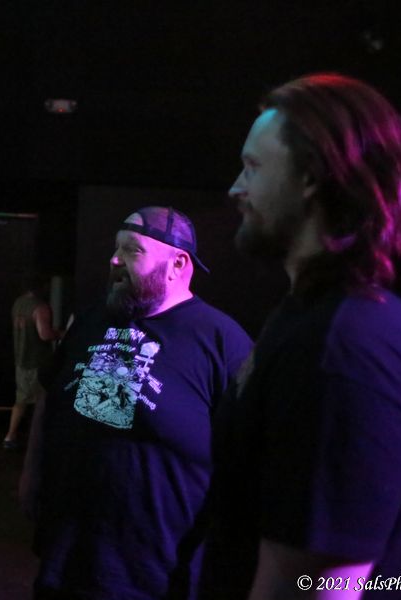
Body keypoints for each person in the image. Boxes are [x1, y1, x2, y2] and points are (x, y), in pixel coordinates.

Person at [200, 73, 401, 599]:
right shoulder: (355, 318)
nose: (235, 189)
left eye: (253, 167)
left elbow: (316, 587)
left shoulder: (347, 342)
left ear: (311, 176)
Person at [20, 206, 252, 599]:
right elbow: (51, 394)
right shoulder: (92, 320)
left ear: (177, 265)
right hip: (67, 563)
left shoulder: (222, 343)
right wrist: (31, 473)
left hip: (155, 576)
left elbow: (252, 458)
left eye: (132, 250)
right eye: (116, 248)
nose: (114, 259)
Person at [3, 275, 62, 450]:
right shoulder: (40, 307)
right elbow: (44, 334)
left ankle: (10, 436)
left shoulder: (18, 303)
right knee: (41, 402)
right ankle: (36, 440)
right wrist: (62, 333)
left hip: (21, 359)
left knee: (21, 400)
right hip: (36, 362)